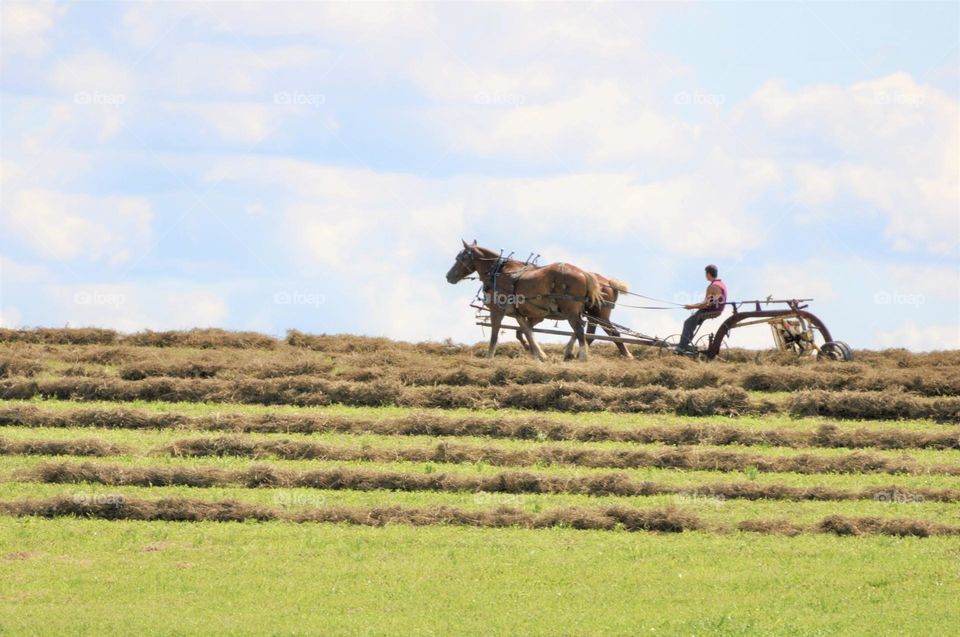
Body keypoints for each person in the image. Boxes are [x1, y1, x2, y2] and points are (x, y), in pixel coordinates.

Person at [676, 264, 727, 354]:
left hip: (710, 310)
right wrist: (693, 306)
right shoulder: (721, 284)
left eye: (705, 273)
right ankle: (685, 343)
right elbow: (708, 302)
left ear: (708, 274)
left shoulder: (712, 287)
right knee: (692, 321)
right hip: (717, 310)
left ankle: (682, 347)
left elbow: (705, 305)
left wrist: (691, 306)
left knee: (688, 322)